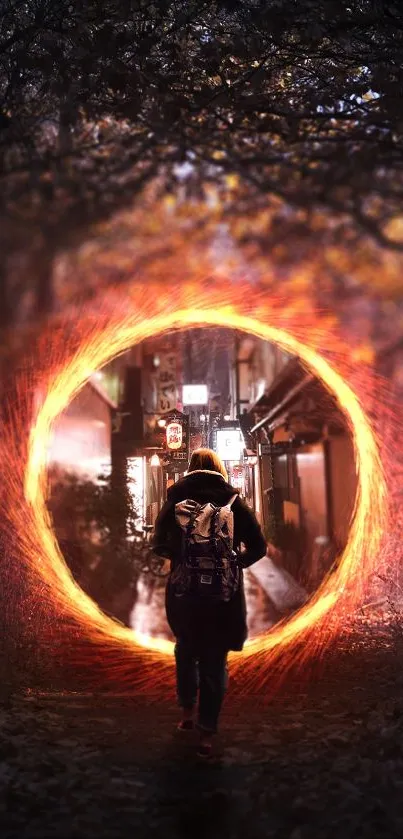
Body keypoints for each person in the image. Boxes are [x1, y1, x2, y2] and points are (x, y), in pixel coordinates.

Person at [153, 447, 266, 757]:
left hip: (185, 594)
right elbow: (259, 547)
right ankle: (206, 733)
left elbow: (157, 543)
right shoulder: (233, 500)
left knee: (186, 649)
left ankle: (186, 715)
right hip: (222, 595)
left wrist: (181, 559)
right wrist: (233, 563)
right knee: (215, 659)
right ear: (219, 469)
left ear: (190, 468)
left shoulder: (176, 498)